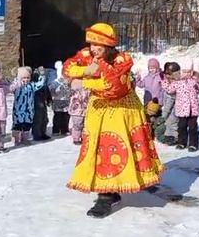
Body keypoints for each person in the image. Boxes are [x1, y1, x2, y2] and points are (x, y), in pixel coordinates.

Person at [62, 22, 164, 218]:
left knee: (119, 147)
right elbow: (68, 68)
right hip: (99, 109)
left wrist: (84, 80)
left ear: (108, 45)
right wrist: (84, 70)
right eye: (91, 44)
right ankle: (106, 193)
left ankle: (120, 188)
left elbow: (114, 86)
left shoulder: (122, 59)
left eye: (97, 45)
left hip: (122, 110)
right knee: (102, 150)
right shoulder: (87, 55)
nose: (92, 49)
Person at [161, 58, 199, 151]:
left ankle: (193, 144)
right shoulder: (177, 82)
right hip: (181, 110)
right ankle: (182, 142)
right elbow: (169, 90)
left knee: (193, 128)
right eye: (184, 71)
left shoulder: (194, 81)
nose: (187, 74)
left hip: (193, 110)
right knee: (182, 127)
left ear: (192, 71)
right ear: (181, 71)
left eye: (189, 71)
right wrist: (165, 81)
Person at [12, 67, 46, 146]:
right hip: (18, 111)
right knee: (17, 126)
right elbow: (10, 87)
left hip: (29, 111)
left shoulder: (31, 86)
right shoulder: (17, 86)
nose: (26, 79)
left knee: (27, 126)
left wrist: (42, 75)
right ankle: (16, 140)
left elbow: (40, 84)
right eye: (24, 78)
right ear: (20, 78)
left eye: (28, 78)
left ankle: (25, 139)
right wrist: (16, 79)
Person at [159, 62, 179, 146]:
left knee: (172, 121)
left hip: (177, 106)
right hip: (168, 102)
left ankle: (174, 137)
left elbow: (171, 95)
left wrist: (165, 112)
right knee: (168, 121)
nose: (168, 76)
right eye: (167, 74)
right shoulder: (167, 81)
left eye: (170, 75)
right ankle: (169, 136)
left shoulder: (176, 83)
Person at [49, 62, 71, 136]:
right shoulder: (54, 83)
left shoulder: (67, 82)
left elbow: (70, 90)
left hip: (66, 101)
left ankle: (64, 129)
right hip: (57, 101)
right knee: (57, 116)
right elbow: (51, 91)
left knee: (66, 116)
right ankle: (56, 130)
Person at [32, 66, 52, 141]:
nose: (42, 71)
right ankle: (37, 135)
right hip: (36, 101)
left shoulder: (44, 79)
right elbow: (35, 88)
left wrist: (49, 99)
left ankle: (43, 133)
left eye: (43, 70)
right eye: (41, 70)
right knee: (38, 119)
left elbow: (47, 89)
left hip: (43, 101)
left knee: (45, 119)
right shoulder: (35, 77)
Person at [68, 77, 89, 145]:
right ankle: (76, 138)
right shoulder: (74, 87)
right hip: (76, 110)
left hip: (84, 109)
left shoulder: (87, 86)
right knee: (77, 125)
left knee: (84, 125)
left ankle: (83, 137)